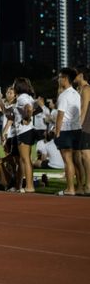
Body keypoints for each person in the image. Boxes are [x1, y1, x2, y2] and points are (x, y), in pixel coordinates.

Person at [55, 67, 82, 196]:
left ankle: (70, 188)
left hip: (65, 130)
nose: (59, 80)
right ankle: (80, 187)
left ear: (65, 79)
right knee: (77, 161)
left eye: (60, 77)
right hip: (77, 129)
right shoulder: (76, 94)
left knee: (68, 161)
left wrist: (57, 131)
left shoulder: (64, 95)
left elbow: (60, 115)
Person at [11, 77, 36, 193]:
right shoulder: (28, 97)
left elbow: (30, 108)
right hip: (28, 130)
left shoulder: (22, 98)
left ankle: (29, 186)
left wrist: (27, 118)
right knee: (26, 159)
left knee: (25, 159)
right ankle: (29, 185)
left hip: (24, 131)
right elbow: (38, 108)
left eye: (14, 84)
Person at [74, 66, 90, 195]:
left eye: (75, 74)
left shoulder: (86, 88)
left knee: (85, 155)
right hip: (82, 125)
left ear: (81, 75)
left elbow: (84, 109)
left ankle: (88, 184)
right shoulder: (79, 89)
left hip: (85, 126)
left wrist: (79, 125)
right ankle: (82, 184)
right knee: (78, 156)